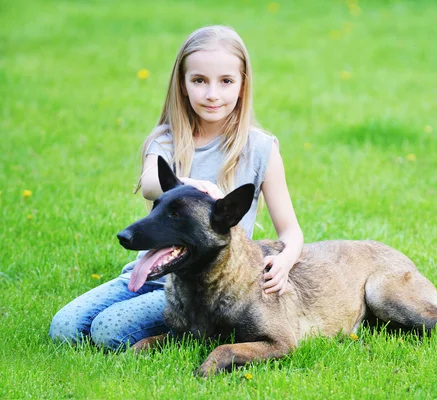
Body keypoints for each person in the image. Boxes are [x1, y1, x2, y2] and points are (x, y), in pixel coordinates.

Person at [49, 25, 304, 350]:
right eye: (199, 80)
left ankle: (187, 333)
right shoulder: (167, 140)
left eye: (226, 81)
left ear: (243, 85)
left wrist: (285, 260)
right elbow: (150, 183)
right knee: (64, 329)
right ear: (182, 85)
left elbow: (291, 231)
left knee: (107, 332)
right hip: (151, 270)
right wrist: (190, 185)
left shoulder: (260, 149)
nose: (212, 93)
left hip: (211, 287)